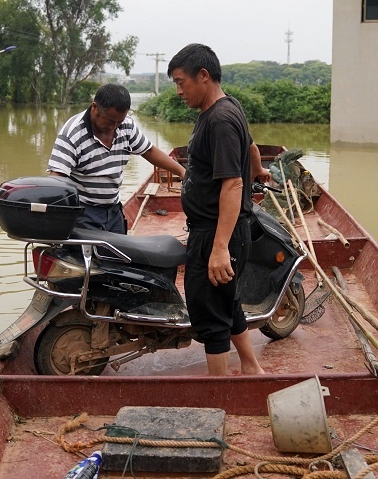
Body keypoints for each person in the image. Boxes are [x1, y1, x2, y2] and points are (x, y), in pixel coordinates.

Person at [168, 43, 269, 376]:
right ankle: (252, 369)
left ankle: (220, 393)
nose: (179, 91)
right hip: (220, 229)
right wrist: (258, 169)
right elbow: (252, 146)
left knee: (210, 316)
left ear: (203, 76)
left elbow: (233, 186)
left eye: (181, 82)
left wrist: (219, 249)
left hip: (215, 232)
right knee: (227, 302)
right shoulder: (228, 108)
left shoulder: (220, 120)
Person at [48, 83, 186, 233]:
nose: (114, 127)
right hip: (83, 213)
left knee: (119, 255)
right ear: (94, 108)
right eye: (109, 121)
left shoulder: (126, 126)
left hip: (114, 210)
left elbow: (149, 151)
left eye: (118, 122)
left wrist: (183, 172)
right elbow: (57, 178)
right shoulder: (72, 134)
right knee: (89, 256)